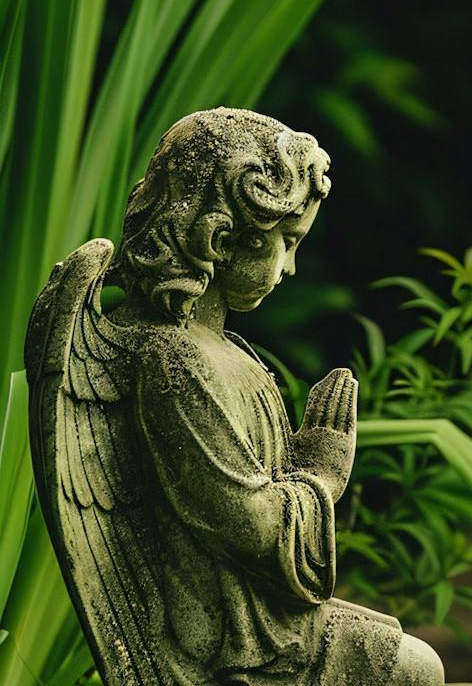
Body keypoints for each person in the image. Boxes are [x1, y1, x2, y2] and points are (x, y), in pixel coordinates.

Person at [26, 107, 445, 686]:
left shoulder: (229, 352)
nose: (292, 267)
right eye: (286, 243)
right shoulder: (173, 360)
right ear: (223, 238)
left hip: (267, 623)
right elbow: (244, 521)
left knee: (397, 644)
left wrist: (298, 469)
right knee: (413, 667)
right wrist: (321, 477)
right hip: (229, 650)